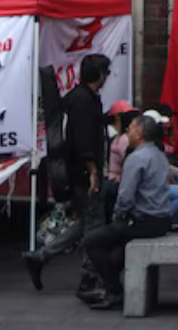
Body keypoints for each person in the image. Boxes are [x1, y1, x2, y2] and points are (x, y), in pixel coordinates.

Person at [24, 53, 112, 292]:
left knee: (85, 223)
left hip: (76, 172)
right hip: (84, 173)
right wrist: (93, 171)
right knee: (95, 226)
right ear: (100, 74)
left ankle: (41, 256)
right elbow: (84, 140)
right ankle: (89, 279)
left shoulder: (78, 97)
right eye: (106, 72)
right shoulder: (84, 101)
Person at [79, 115, 173, 311]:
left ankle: (114, 291)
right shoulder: (159, 155)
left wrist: (118, 216)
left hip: (143, 222)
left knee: (92, 241)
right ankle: (109, 288)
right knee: (116, 252)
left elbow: (125, 196)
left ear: (139, 133)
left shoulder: (136, 158)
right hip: (161, 220)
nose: (127, 132)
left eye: (130, 129)